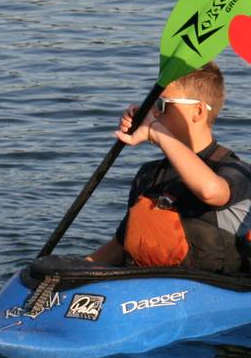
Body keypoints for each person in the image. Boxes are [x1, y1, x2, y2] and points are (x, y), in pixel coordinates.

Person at [87, 62, 251, 273]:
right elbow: (117, 249)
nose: (152, 114)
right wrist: (64, 274)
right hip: (147, 294)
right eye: (151, 105)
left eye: (161, 105)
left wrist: (156, 131)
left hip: (215, 296)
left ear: (198, 111)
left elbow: (210, 192)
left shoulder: (236, 172)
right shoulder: (149, 174)